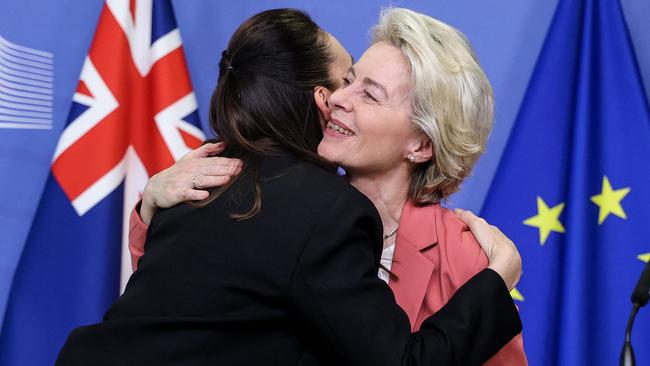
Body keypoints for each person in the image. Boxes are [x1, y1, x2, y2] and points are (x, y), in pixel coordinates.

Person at [58, 8, 522, 366]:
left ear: (421, 144)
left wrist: (496, 281)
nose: (336, 98)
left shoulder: (467, 258)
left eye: (368, 93)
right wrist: (150, 206)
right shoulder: (273, 195)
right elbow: (191, 304)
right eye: (349, 79)